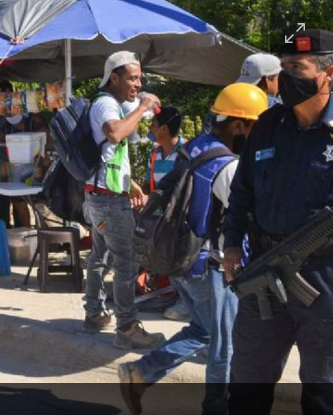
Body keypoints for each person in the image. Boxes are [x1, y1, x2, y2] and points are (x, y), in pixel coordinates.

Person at [119, 84, 268, 415]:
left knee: (203, 329)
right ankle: (217, 407)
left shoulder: (198, 147)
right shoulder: (226, 167)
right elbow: (247, 218)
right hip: (209, 265)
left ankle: (141, 373)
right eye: (255, 126)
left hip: (180, 261)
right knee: (224, 344)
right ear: (240, 125)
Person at [223, 29, 333, 415]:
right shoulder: (268, 124)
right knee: (247, 385)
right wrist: (232, 244)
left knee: (323, 393)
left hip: (325, 280)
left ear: (328, 73)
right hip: (265, 275)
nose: (286, 76)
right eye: (282, 67)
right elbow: (242, 192)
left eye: (297, 67)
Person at [82, 51, 165, 349]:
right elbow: (115, 135)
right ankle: (127, 328)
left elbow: (109, 155)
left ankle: (93, 315)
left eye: (139, 78)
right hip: (108, 204)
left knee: (99, 257)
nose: (137, 83)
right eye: (132, 78)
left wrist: (130, 185)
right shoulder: (105, 104)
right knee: (126, 263)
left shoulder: (114, 104)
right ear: (113, 78)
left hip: (101, 197)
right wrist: (142, 105)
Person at [141, 107, 191, 321]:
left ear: (164, 129)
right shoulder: (154, 153)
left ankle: (186, 303)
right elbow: (147, 184)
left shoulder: (187, 151)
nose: (150, 128)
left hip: (182, 216)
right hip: (161, 217)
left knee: (182, 258)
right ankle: (175, 295)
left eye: (153, 125)